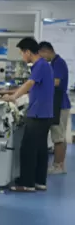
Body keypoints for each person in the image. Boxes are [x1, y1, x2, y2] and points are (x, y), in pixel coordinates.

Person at [3, 37, 54, 192]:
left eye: (22, 53)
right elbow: (33, 87)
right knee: (40, 149)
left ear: (28, 52)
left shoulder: (39, 65)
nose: (22, 57)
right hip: (45, 113)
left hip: (37, 113)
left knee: (28, 149)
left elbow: (30, 83)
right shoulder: (44, 65)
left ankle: (27, 183)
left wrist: (13, 97)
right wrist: (10, 92)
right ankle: (39, 181)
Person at [39, 41, 70, 174]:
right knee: (59, 136)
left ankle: (58, 166)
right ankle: (60, 164)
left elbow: (56, 82)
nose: (42, 58)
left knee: (58, 137)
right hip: (58, 104)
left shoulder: (58, 63)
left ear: (46, 51)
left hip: (60, 104)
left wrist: (39, 82)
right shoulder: (54, 63)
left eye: (42, 55)